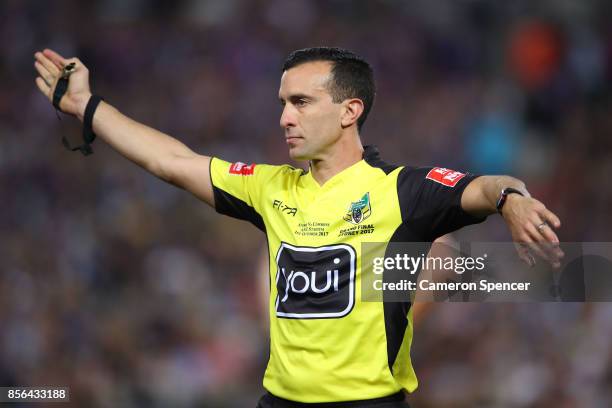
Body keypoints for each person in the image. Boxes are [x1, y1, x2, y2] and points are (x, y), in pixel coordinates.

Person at [33, 47, 564, 407]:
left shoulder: (403, 191)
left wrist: (512, 199)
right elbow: (171, 161)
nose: (285, 117)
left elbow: (487, 186)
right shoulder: (270, 188)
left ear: (349, 110)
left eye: (301, 102)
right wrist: (86, 106)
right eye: (283, 104)